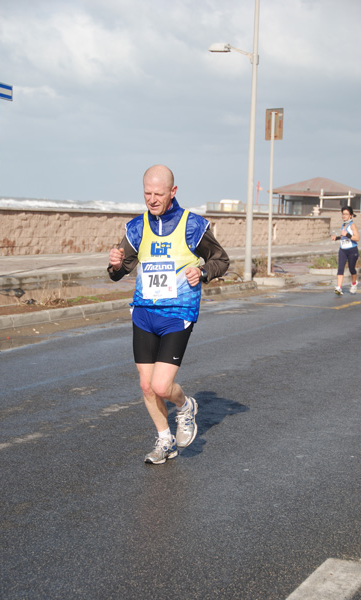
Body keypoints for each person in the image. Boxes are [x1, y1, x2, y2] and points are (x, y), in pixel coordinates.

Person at [108, 165, 230, 464]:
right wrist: (115, 264)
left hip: (178, 313)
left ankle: (185, 406)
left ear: (172, 192)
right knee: (146, 385)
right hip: (144, 312)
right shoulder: (136, 227)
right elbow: (121, 270)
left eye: (158, 194)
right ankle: (165, 441)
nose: (152, 199)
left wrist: (201, 272)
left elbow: (221, 260)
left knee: (162, 386)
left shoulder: (192, 225)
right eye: (147, 193)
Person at [331, 205, 360, 295]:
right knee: (340, 268)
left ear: (351, 215)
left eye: (346, 214)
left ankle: (354, 283)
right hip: (343, 249)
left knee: (352, 269)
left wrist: (347, 235)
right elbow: (343, 236)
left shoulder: (352, 225)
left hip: (352, 250)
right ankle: (339, 287)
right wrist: (337, 238)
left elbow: (357, 238)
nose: (344, 216)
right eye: (343, 214)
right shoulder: (343, 225)